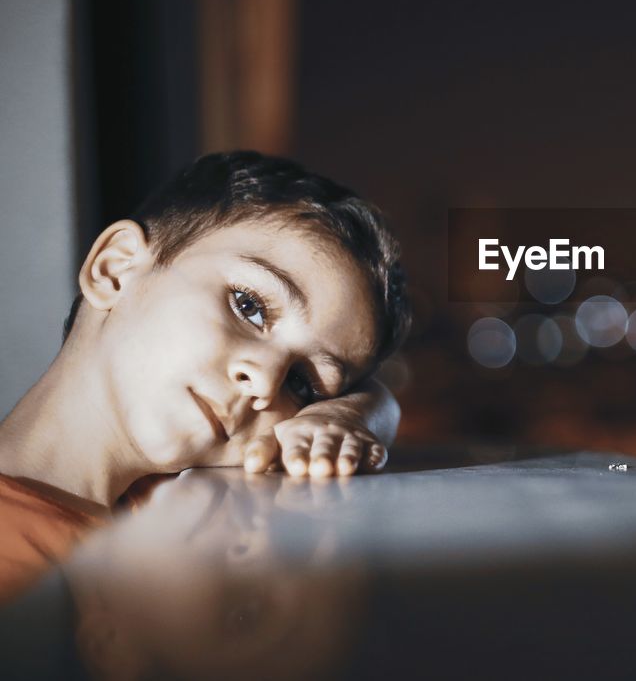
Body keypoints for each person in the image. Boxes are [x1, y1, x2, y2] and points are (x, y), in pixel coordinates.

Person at [0, 151, 412, 601]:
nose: (265, 380)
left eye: (301, 384)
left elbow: (380, 398)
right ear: (115, 269)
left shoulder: (206, 496)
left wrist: (343, 419)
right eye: (249, 305)